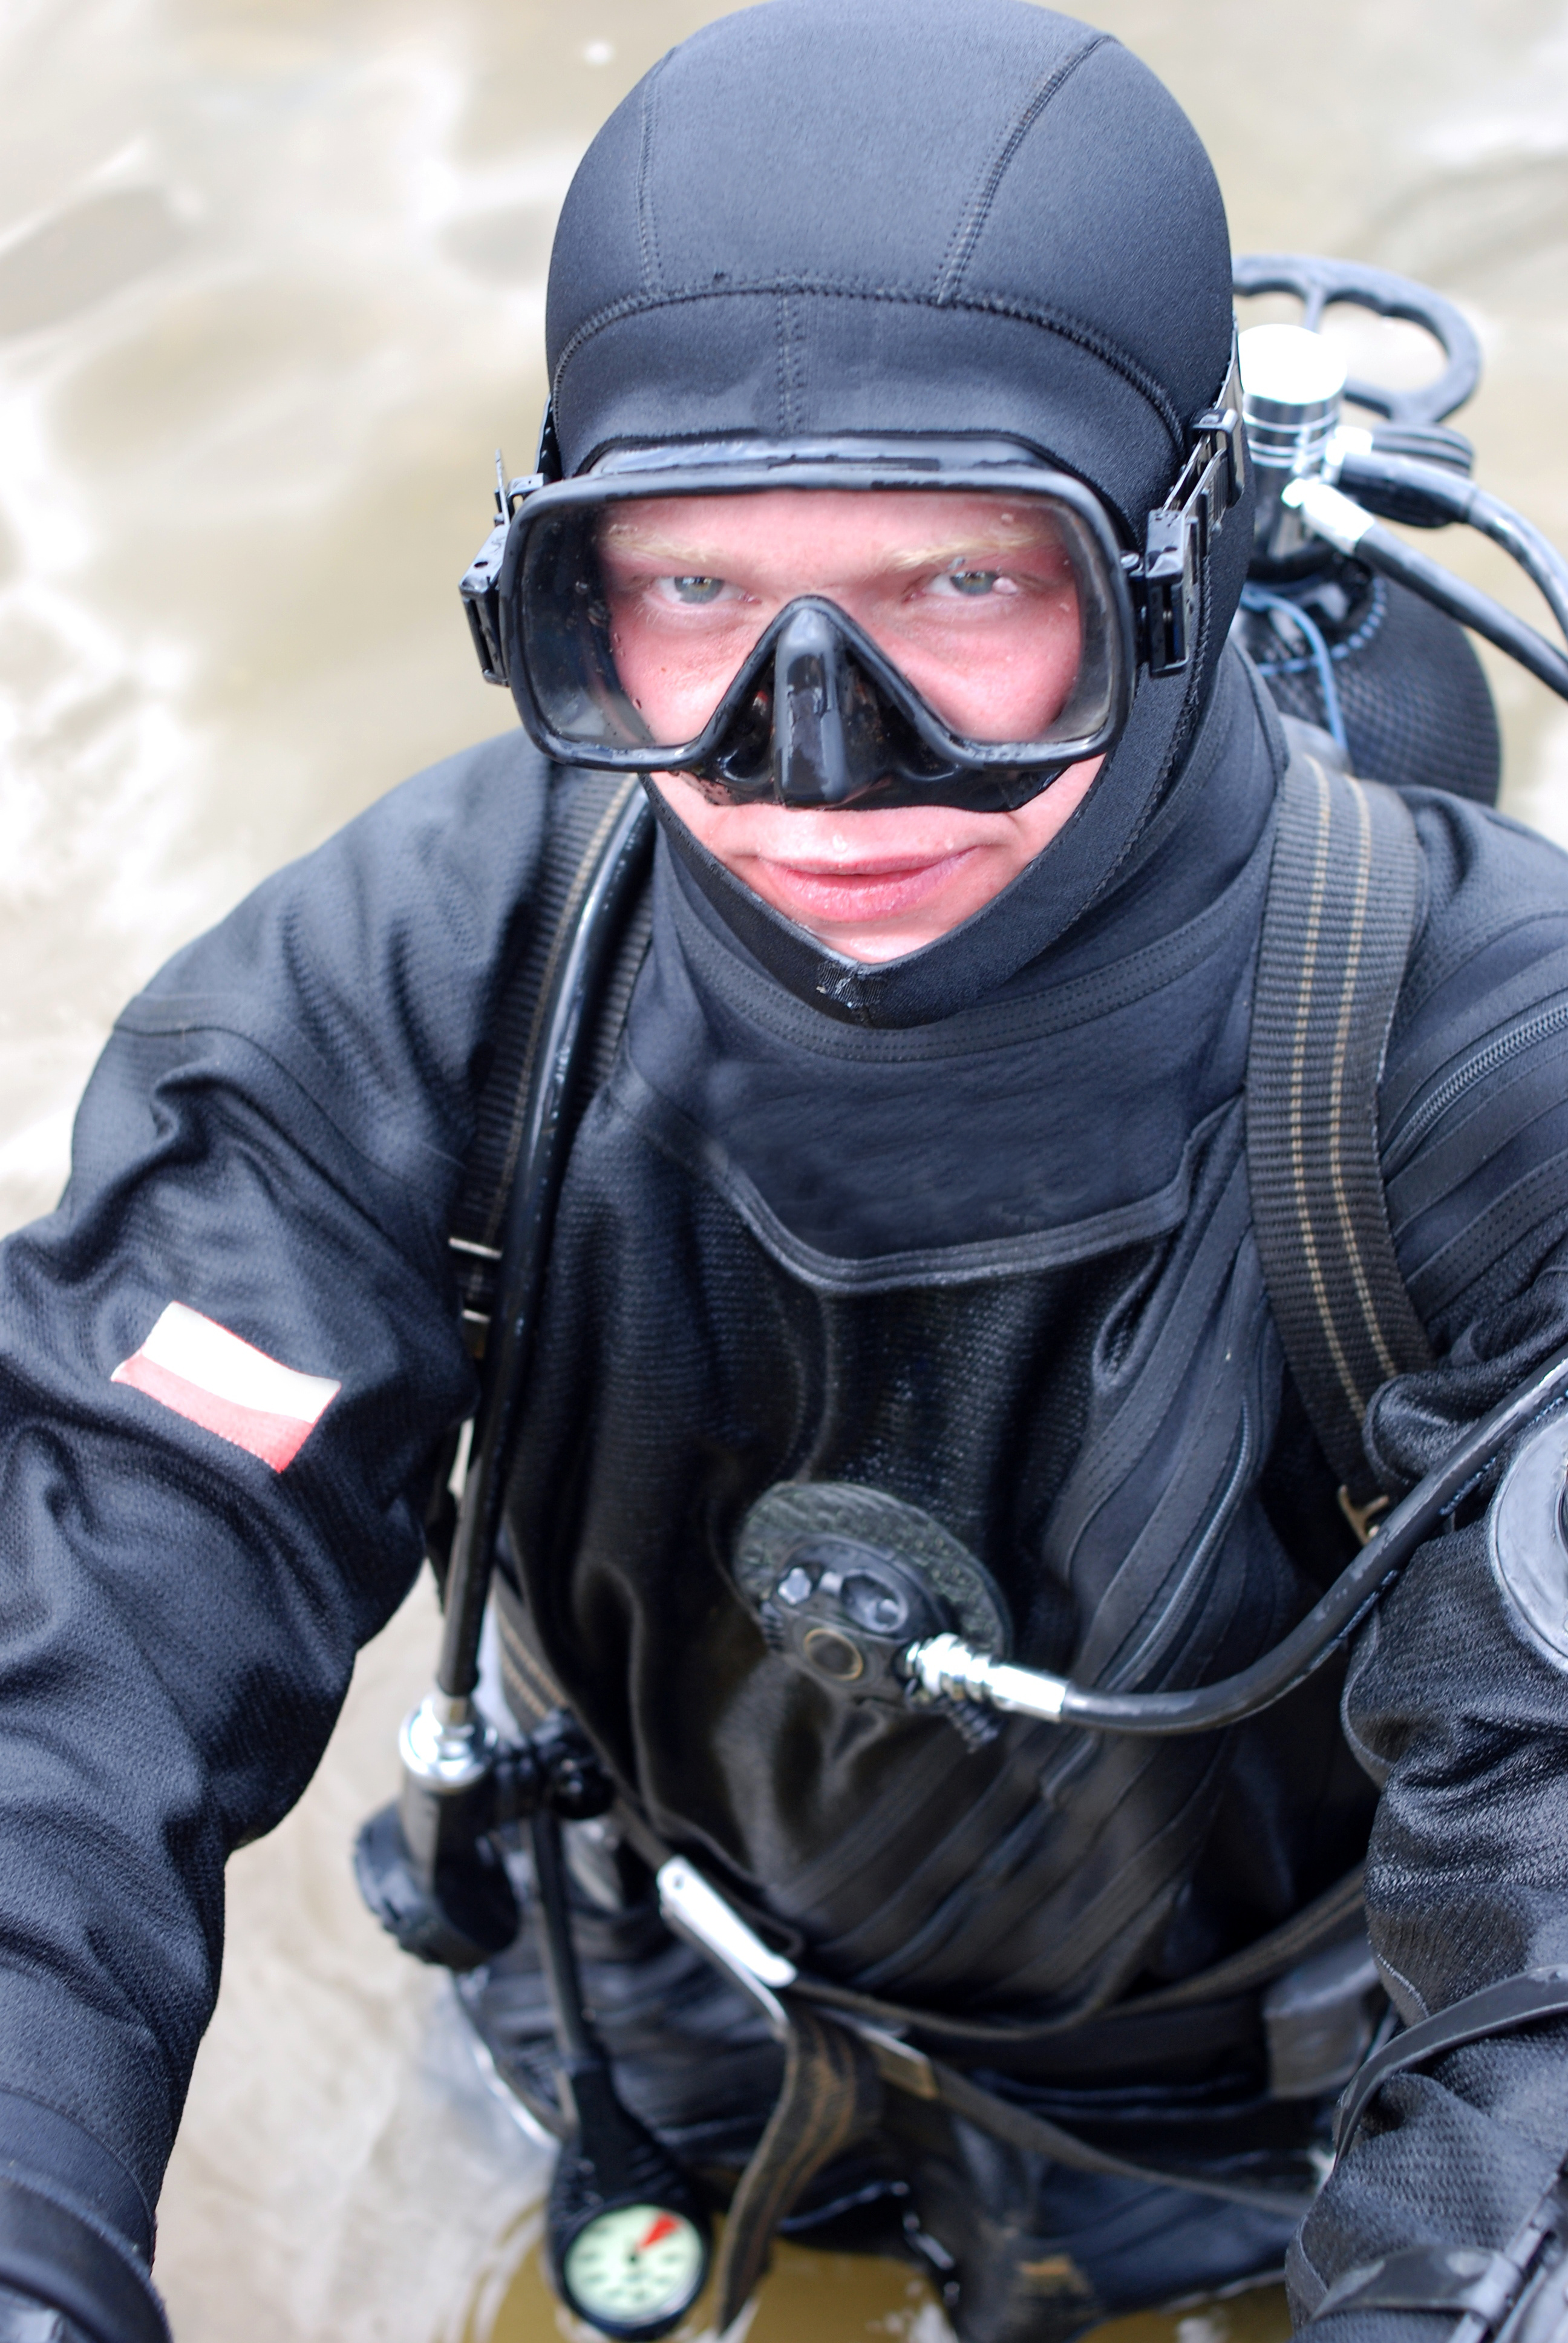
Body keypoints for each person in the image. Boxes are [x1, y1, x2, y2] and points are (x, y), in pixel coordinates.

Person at [1, 4, 1567, 2339]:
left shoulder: (1486, 1074)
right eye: (697, 599)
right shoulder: (435, 982)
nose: (812, 763)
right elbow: (79, 1647)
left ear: (1174, 551)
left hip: (1267, 2124)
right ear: (560, 587)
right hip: (653, 2007)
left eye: (959, 591)